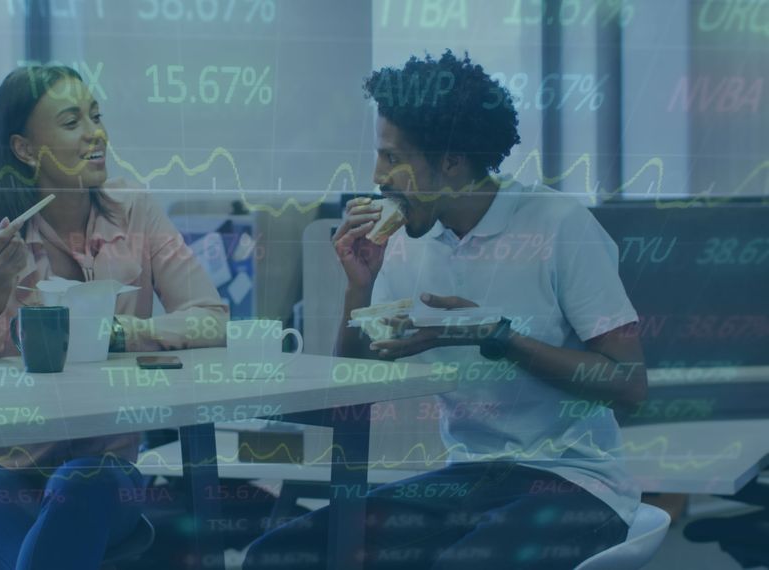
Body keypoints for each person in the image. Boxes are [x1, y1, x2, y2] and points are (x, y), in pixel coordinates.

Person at [243, 51, 647, 569]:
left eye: (392, 158)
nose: (377, 175)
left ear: (452, 161)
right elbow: (352, 387)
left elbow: (631, 386)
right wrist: (358, 288)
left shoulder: (558, 225)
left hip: (577, 480)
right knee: (279, 556)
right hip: (468, 478)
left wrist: (494, 335)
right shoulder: (411, 240)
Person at [0, 65, 229, 570]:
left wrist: (121, 332)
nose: (95, 133)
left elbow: (210, 318)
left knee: (80, 487)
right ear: (23, 149)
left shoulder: (136, 212)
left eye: (96, 116)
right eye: (71, 122)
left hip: (100, 473)